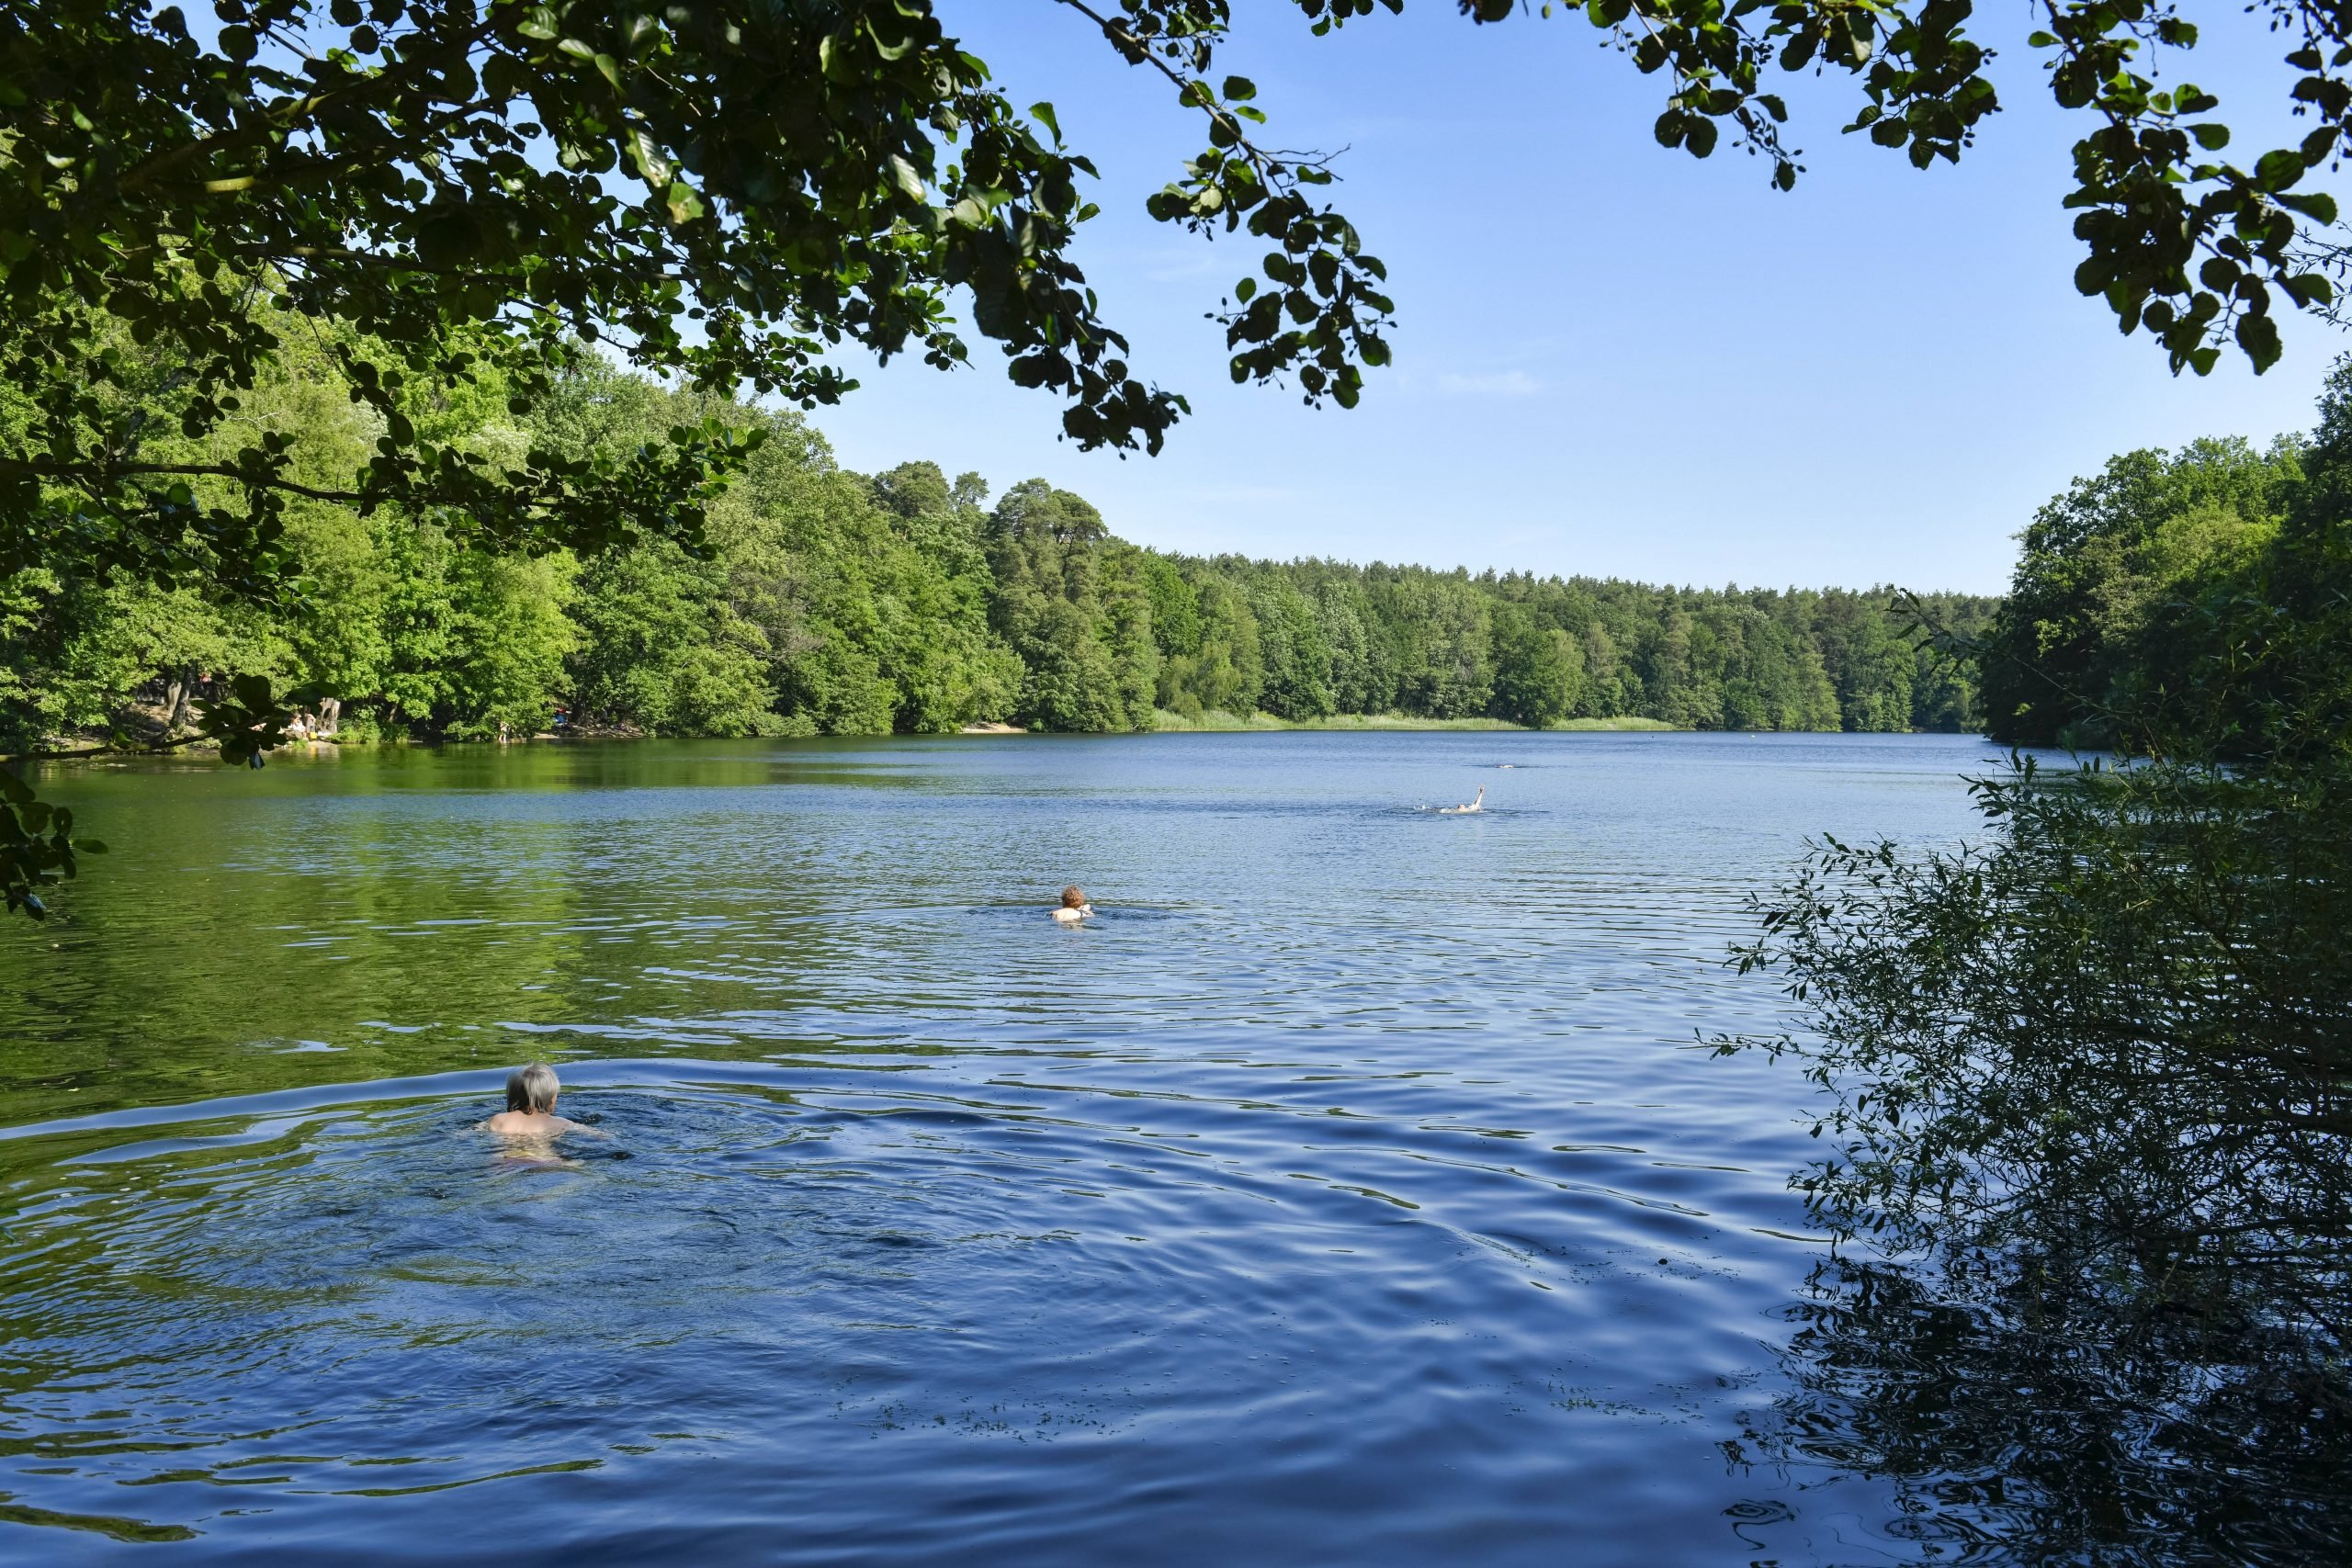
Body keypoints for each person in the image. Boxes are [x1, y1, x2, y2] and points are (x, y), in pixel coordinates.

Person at [484, 1061, 585, 1138]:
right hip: (545, 1159)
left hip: (508, 1161)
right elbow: (597, 1135)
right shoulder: (563, 1123)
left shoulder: (498, 1120)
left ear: (512, 1095)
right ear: (551, 1098)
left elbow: (470, 1132)